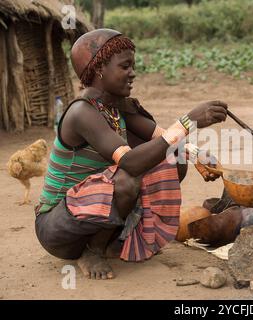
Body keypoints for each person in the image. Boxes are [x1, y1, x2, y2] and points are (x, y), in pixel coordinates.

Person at [34, 28, 228, 280]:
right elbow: (130, 163)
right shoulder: (82, 113)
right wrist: (189, 121)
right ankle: (93, 250)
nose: (132, 73)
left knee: (173, 158)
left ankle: (113, 241)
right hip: (58, 227)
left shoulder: (116, 107)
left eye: (132, 65)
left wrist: (195, 154)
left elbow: (163, 138)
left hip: (89, 213)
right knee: (127, 179)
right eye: (125, 66)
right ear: (99, 69)